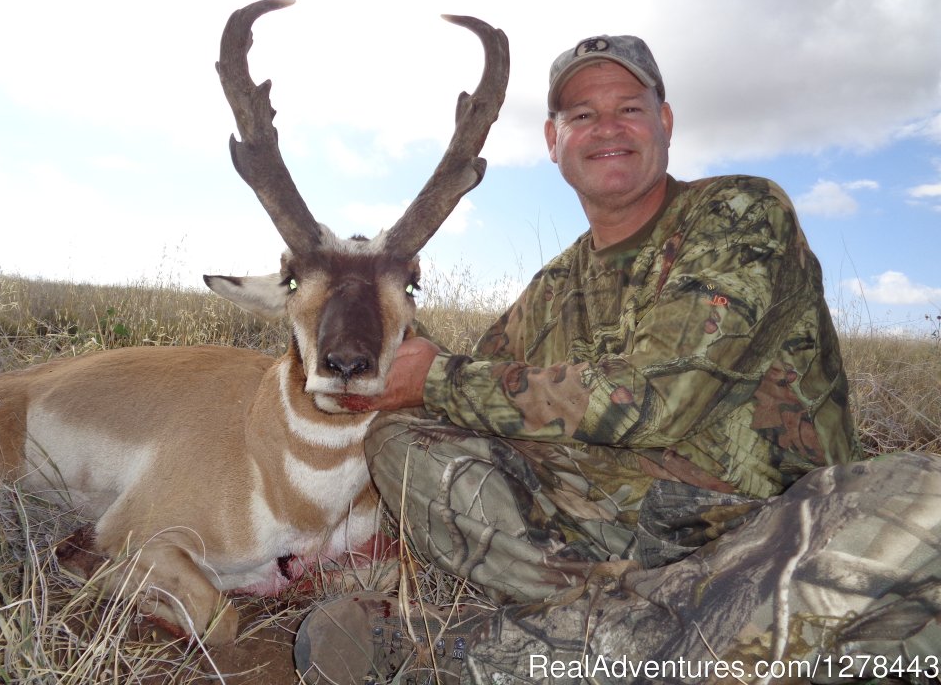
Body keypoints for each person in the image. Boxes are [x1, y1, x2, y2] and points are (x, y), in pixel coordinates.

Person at [294, 35, 941, 684]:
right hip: (613, 547)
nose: (606, 127)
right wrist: (359, 307)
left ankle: (539, 652)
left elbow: (657, 397)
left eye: (628, 108)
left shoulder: (741, 213)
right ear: (553, 141)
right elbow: (454, 382)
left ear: (663, 123)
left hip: (780, 533)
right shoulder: (555, 287)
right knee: (404, 441)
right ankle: (659, 631)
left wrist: (435, 375)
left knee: (924, 494)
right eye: (582, 115)